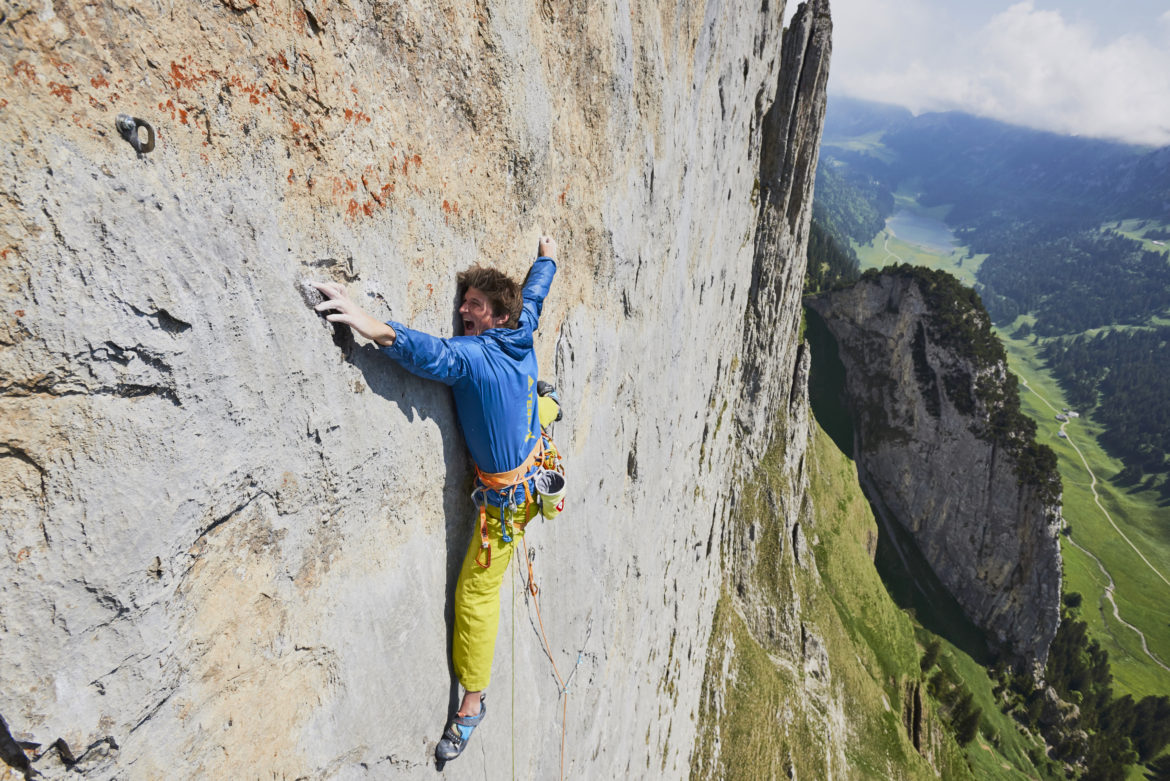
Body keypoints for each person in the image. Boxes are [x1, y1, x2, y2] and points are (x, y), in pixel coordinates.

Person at [313, 236, 558, 761]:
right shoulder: (522, 328)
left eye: (474, 306)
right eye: (463, 302)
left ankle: (473, 702)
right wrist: (547, 257)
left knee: (476, 594)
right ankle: (546, 407)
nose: (463, 312)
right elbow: (535, 294)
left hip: (507, 504)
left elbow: (428, 352)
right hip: (530, 468)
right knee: (540, 407)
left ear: (496, 315)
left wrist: (362, 320)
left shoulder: (474, 358)